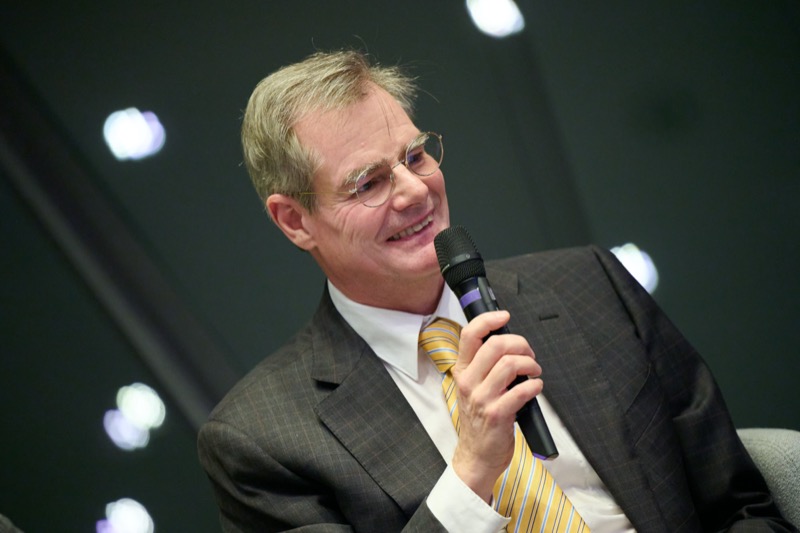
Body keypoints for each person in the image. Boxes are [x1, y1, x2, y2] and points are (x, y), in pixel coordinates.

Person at [197, 49, 794, 532]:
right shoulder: (260, 441)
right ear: (295, 220)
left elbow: (740, 506)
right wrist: (470, 473)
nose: (415, 191)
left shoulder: (589, 285)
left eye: (415, 156)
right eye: (369, 183)